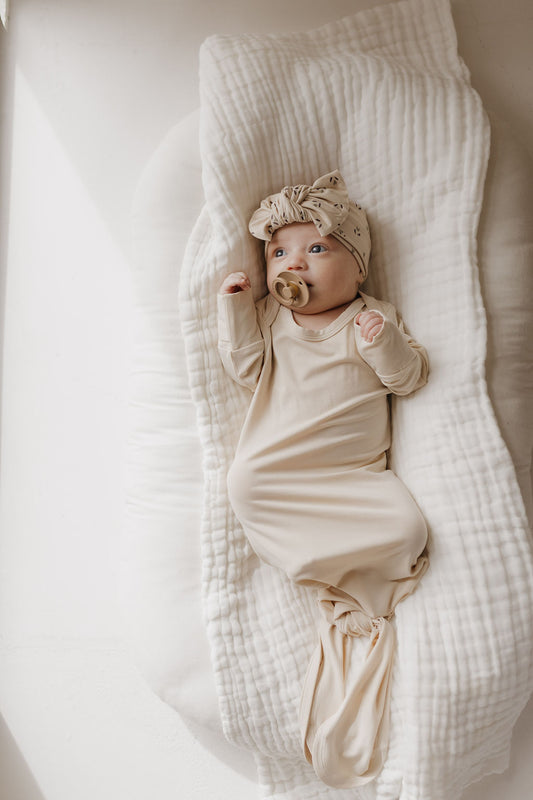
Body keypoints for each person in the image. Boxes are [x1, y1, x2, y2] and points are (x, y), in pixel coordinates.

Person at [217, 170, 429, 789]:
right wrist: (235, 308)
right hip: (281, 468)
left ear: (357, 268)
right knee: (245, 482)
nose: (294, 264)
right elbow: (245, 369)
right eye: (279, 252)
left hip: (353, 474)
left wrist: (384, 345)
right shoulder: (272, 319)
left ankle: (352, 583)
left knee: (407, 529)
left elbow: (409, 378)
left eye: (316, 248)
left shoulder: (373, 317)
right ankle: (331, 574)